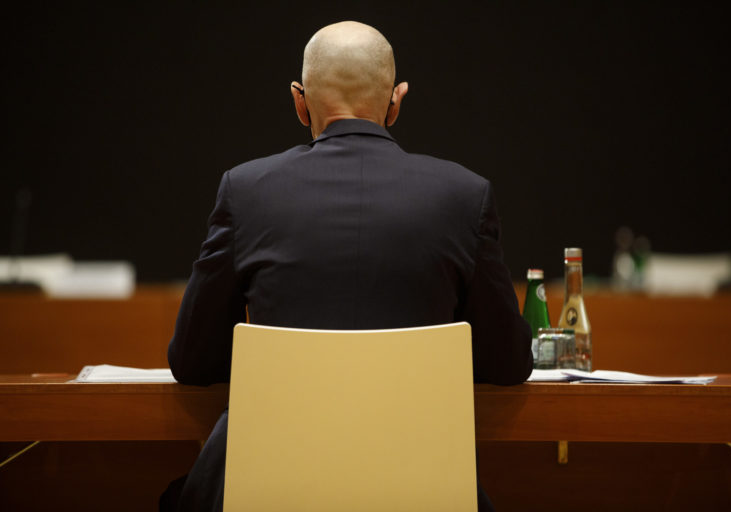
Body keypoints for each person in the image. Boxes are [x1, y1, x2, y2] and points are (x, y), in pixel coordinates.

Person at [164, 20, 532, 512]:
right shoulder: (464, 196)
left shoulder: (246, 191)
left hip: (270, 491)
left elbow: (192, 362)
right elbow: (507, 364)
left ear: (299, 102)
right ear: (396, 101)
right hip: (420, 491)